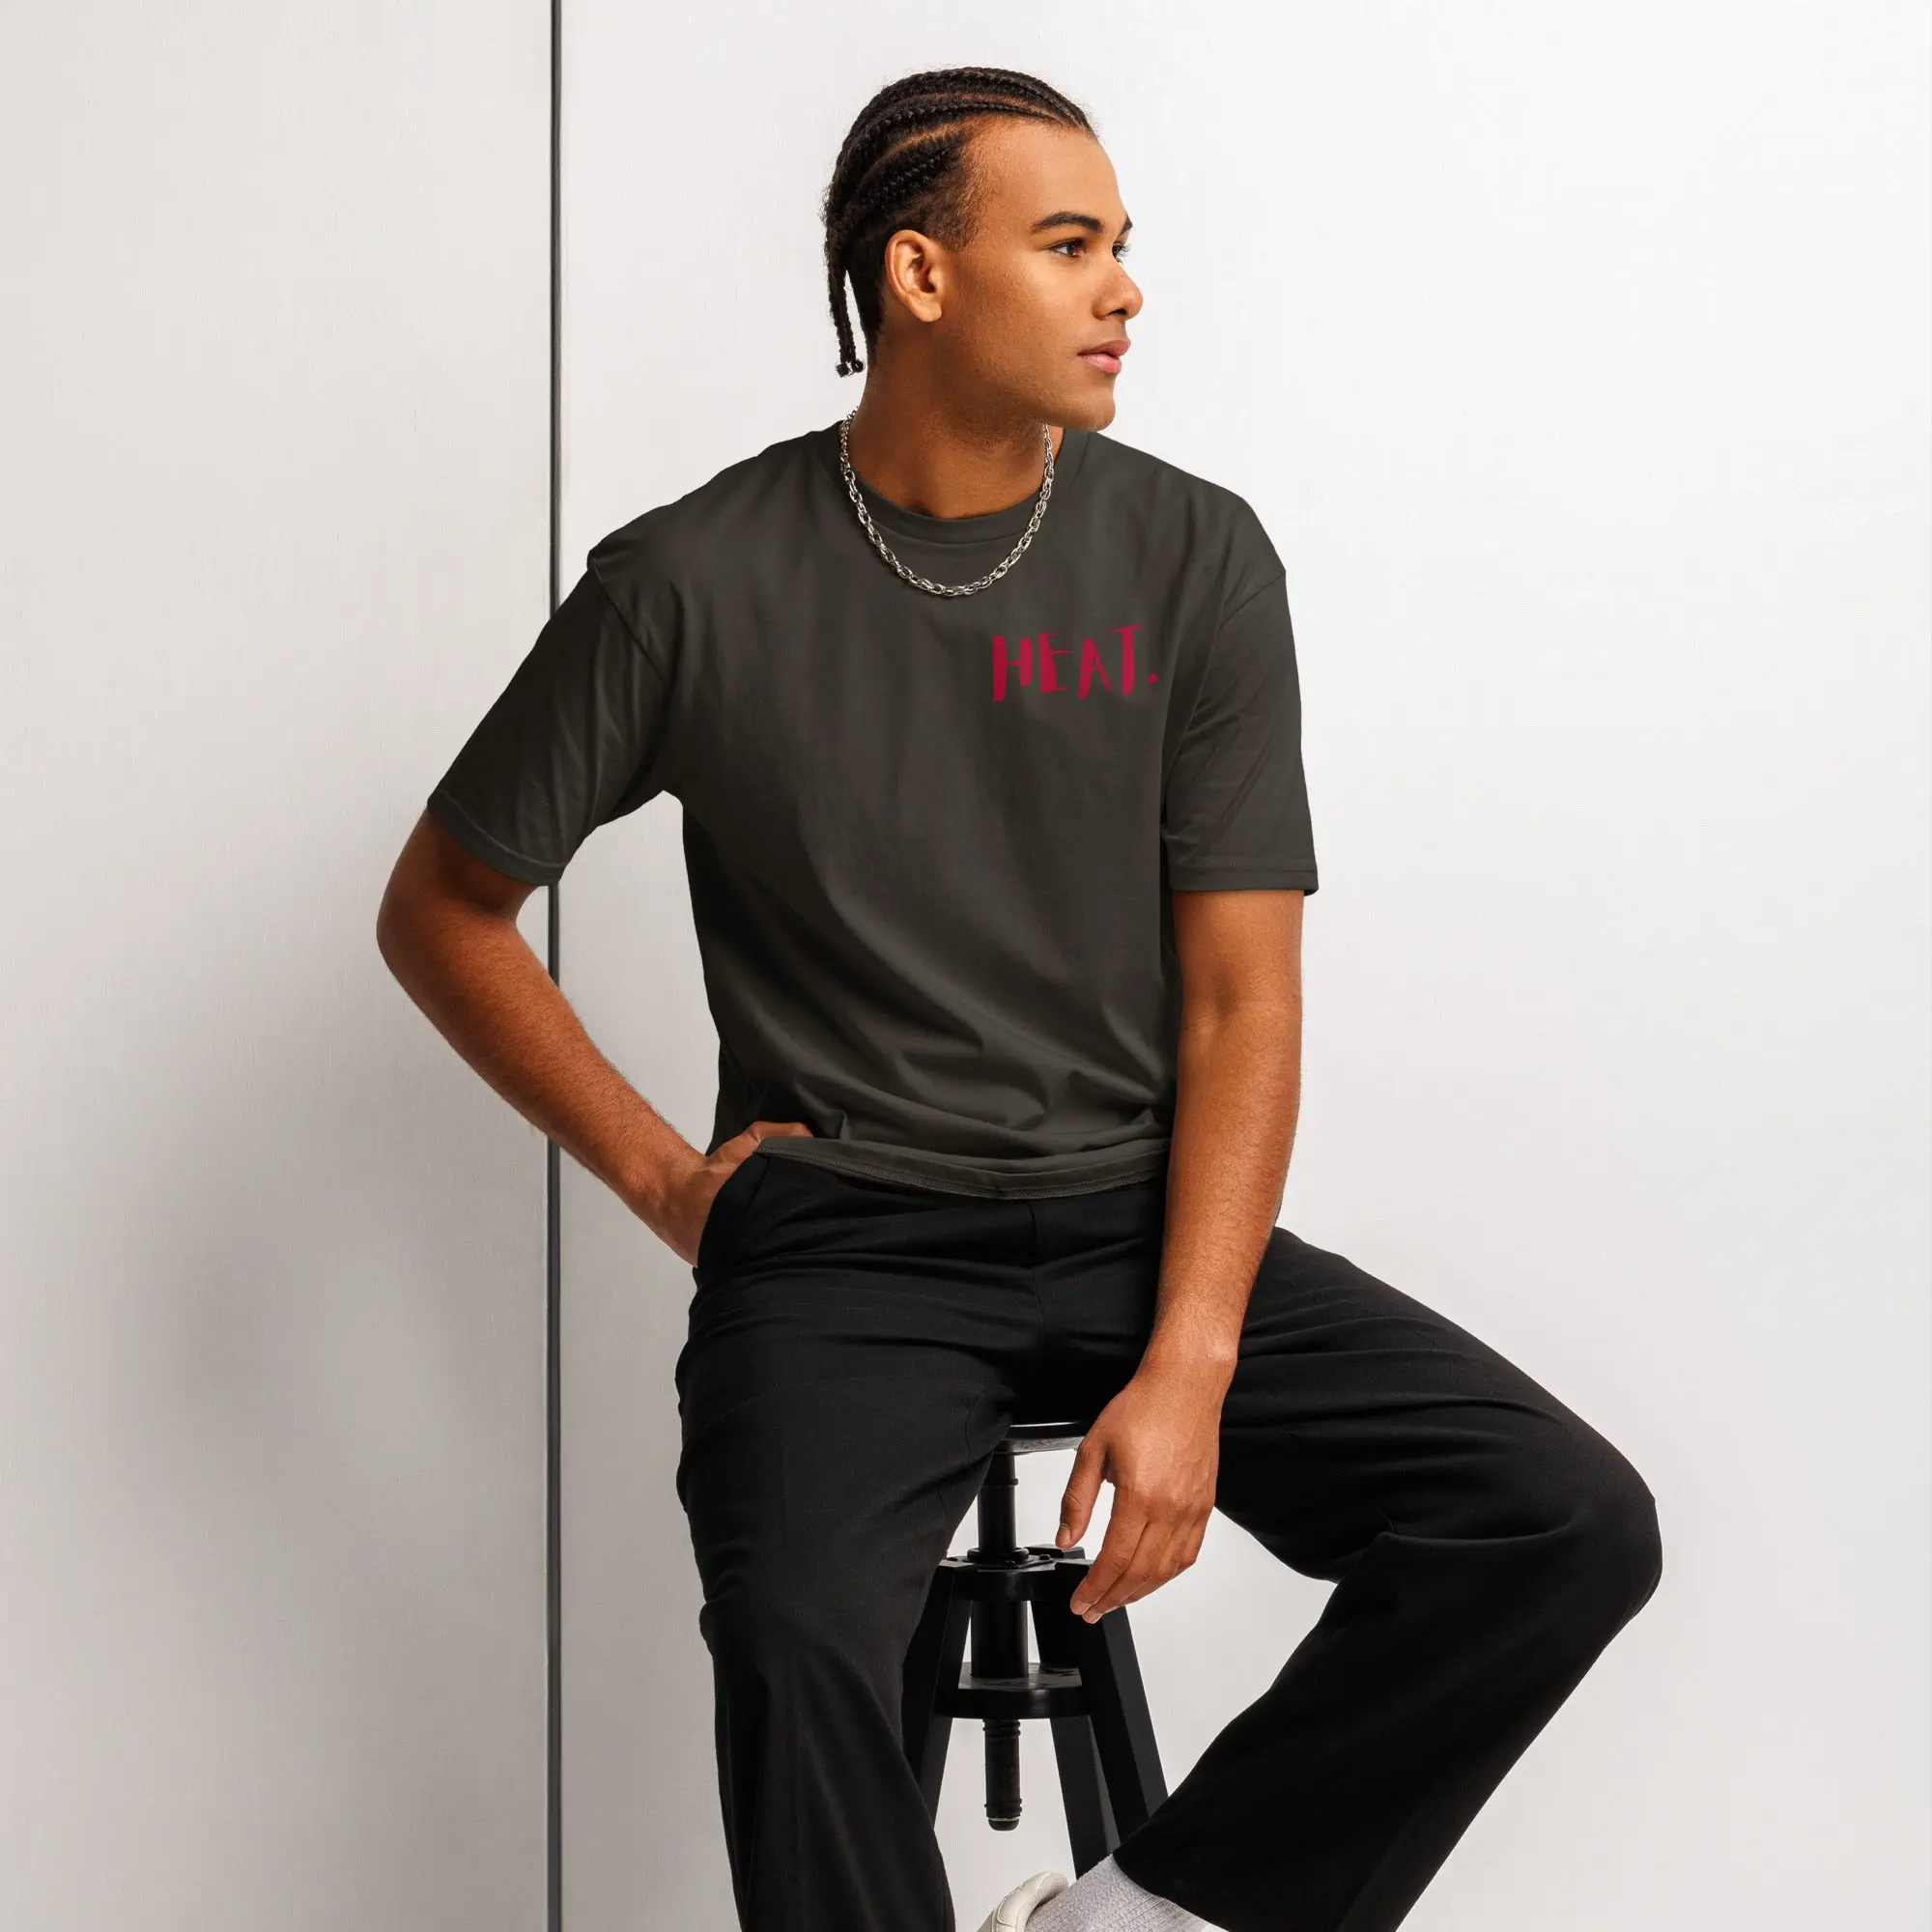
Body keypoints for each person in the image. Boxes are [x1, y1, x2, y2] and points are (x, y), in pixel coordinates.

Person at [376, 64, 1662, 1932]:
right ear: (919, 275)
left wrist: (1194, 1360)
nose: (1125, 288)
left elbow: (1242, 1005)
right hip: (846, 1242)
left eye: (1121, 245)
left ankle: (1143, 1923)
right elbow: (446, 908)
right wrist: (668, 1182)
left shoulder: (1194, 558)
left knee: (1559, 1519)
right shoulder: (687, 584)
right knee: (801, 1637)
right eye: (1069, 245)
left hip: (1142, 1219)